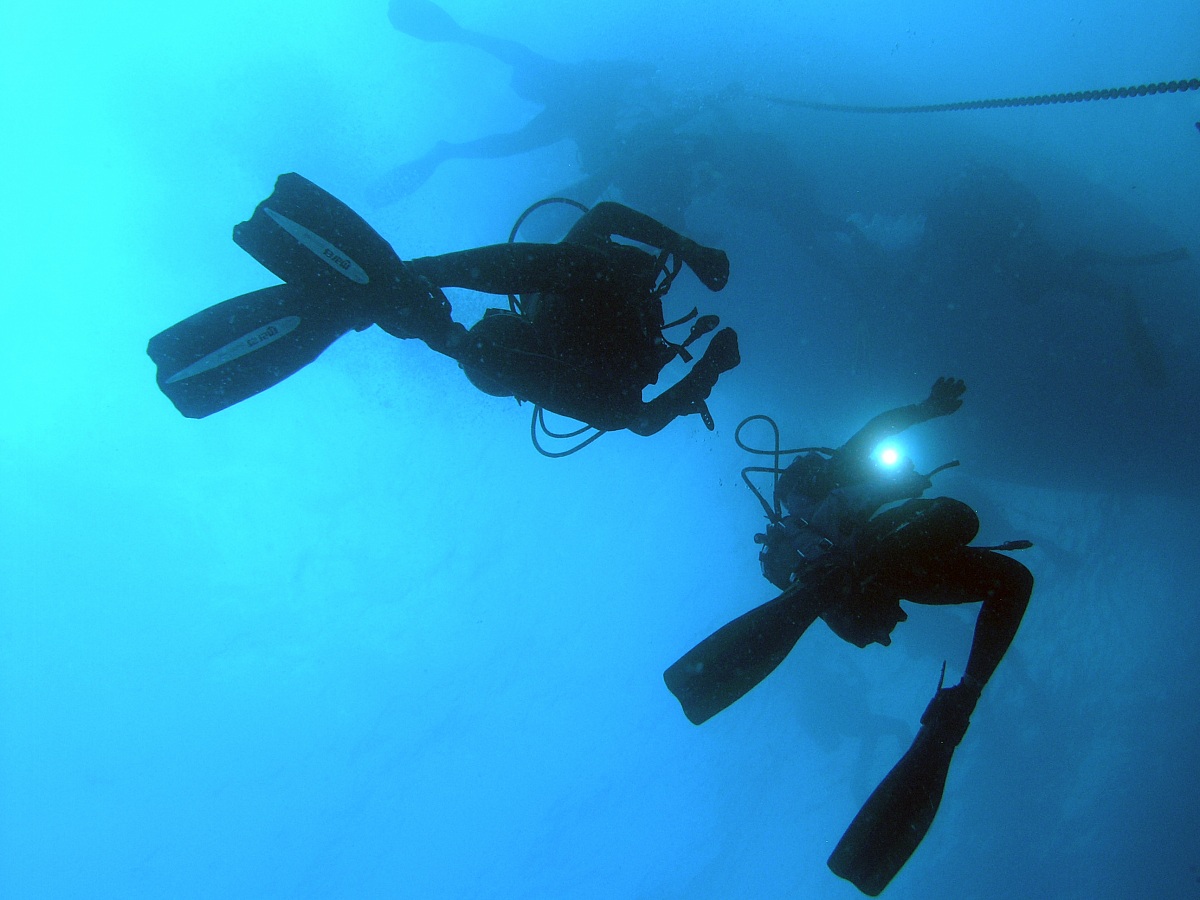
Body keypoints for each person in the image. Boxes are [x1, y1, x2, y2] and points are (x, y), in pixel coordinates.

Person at [663, 377, 1033, 895]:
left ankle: (956, 703)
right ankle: (961, 695)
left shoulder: (806, 519)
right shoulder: (840, 476)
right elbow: (879, 428)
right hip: (879, 556)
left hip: (866, 577)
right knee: (965, 522)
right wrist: (928, 406)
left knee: (1012, 577)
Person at [147, 173, 739, 439]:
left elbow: (603, 221)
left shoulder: (563, 307)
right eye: (497, 316)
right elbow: (634, 417)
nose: (495, 311)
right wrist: (710, 361)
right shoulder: (558, 322)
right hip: (553, 350)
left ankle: (404, 302)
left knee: (498, 320)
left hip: (529, 342)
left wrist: (690, 251)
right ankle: (408, 303)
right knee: (514, 317)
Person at [374, 0, 667, 203]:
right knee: (510, 63)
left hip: (577, 99)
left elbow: (515, 141)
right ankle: (446, 152)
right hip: (578, 96)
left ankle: (446, 152)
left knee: (510, 64)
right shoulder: (575, 92)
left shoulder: (572, 100)